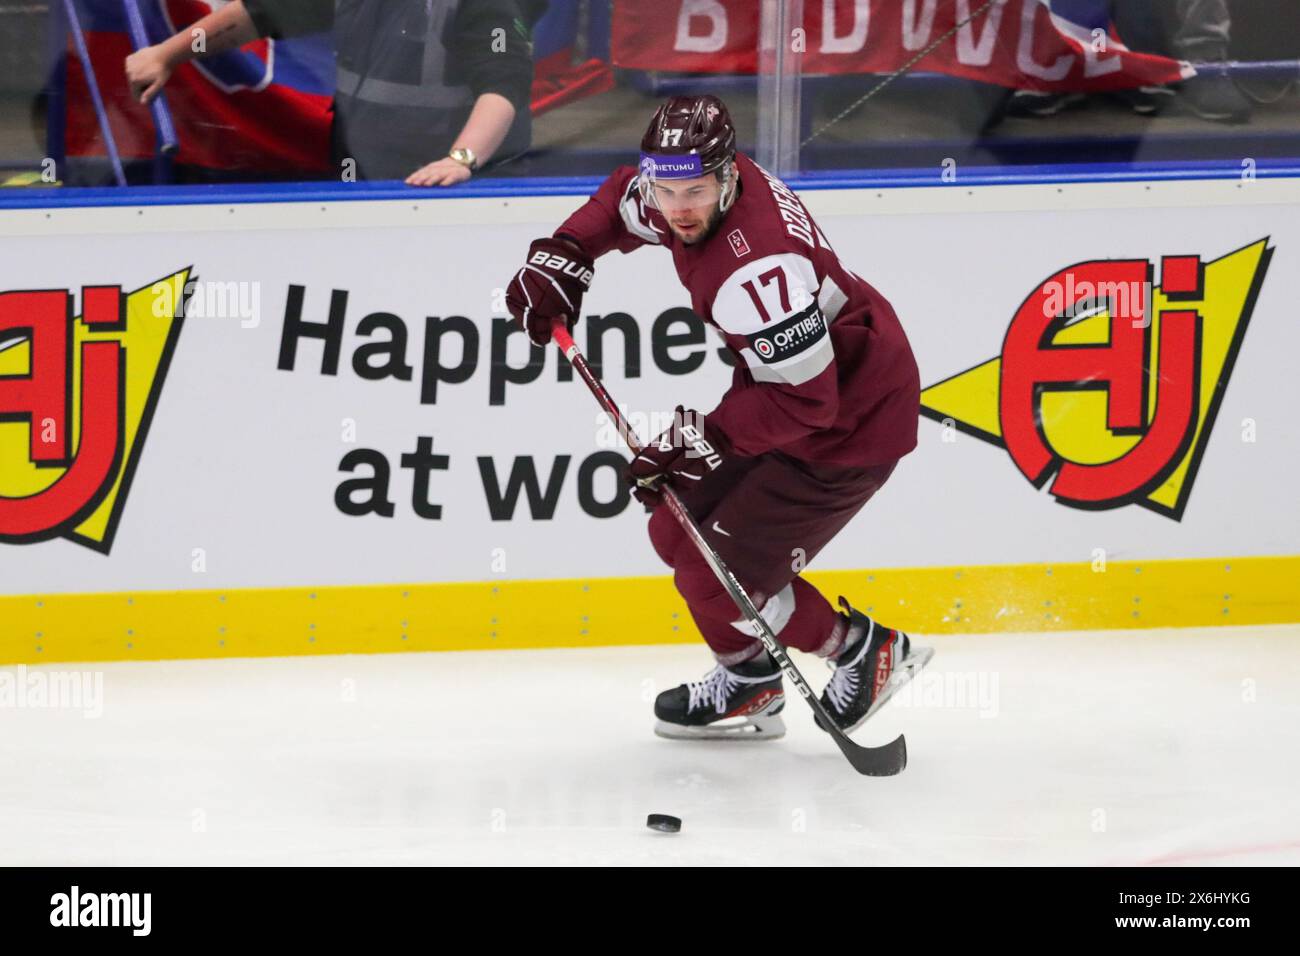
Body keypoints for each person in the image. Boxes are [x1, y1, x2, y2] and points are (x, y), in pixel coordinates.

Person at [506, 95, 930, 740]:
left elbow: (810, 404)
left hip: (850, 423)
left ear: (727, 177)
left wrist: (702, 437)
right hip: (786, 392)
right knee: (676, 529)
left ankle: (860, 651)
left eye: (695, 191)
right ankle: (751, 682)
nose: (677, 209)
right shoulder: (688, 189)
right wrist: (564, 252)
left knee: (716, 575)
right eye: (666, 189)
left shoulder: (757, 268)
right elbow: (621, 199)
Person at [125, 0, 540, 184]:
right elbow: (257, 15)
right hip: (363, 175)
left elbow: (503, 87)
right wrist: (167, 55)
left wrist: (460, 160)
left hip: (466, 184)